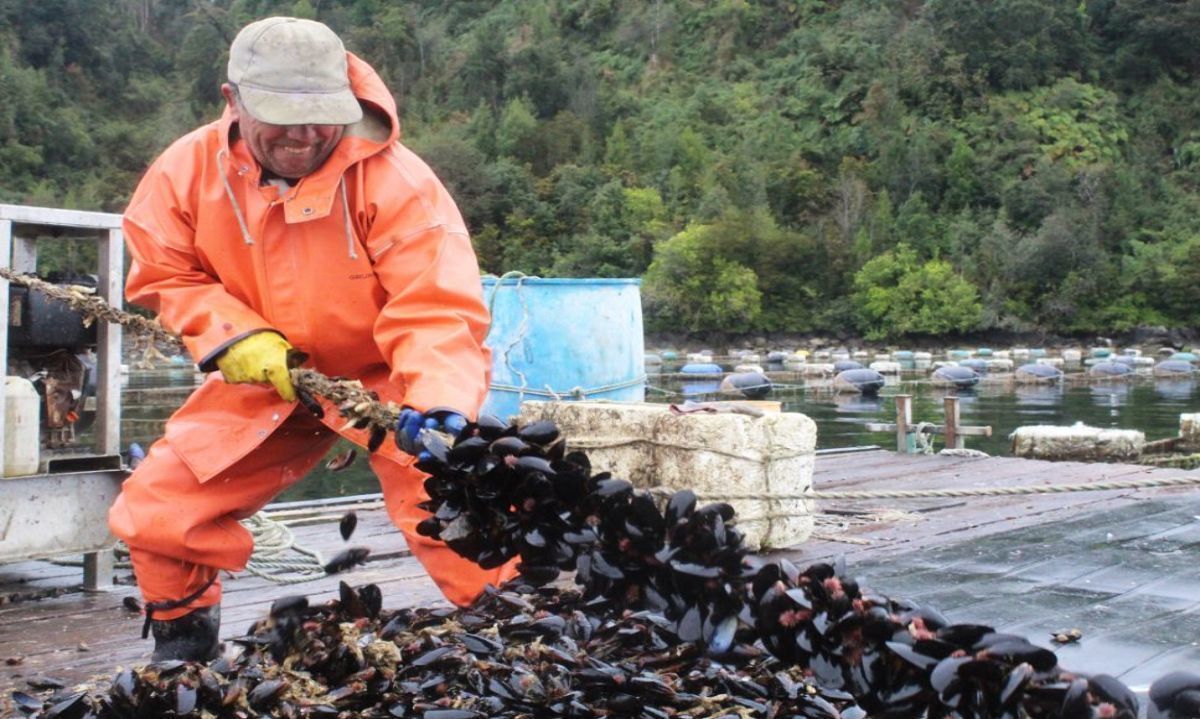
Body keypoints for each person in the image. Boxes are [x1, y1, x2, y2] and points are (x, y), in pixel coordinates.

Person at [108, 16, 514, 662]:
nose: (303, 134)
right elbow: (164, 270)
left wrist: (438, 403)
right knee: (161, 501)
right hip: (268, 373)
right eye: (281, 116)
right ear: (232, 101)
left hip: (388, 379)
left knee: (454, 501)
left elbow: (436, 306)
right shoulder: (183, 173)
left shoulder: (397, 182)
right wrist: (229, 334)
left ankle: (522, 636)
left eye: (320, 115)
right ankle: (182, 646)